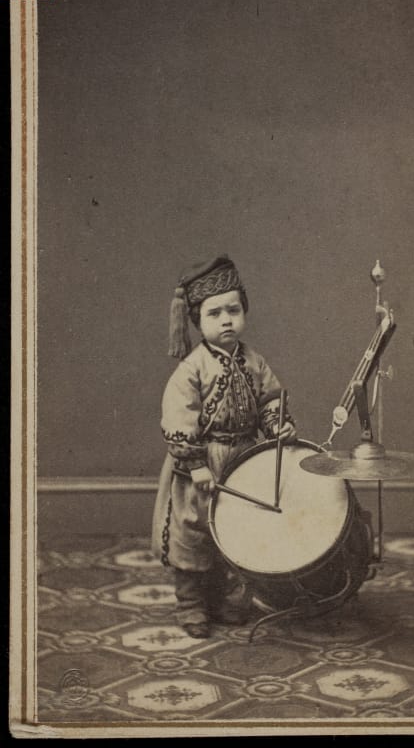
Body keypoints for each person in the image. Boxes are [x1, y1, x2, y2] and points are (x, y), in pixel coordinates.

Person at [151, 255, 296, 638]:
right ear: (197, 322)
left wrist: (276, 426)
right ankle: (192, 604)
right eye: (215, 314)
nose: (227, 320)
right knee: (195, 532)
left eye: (234, 310)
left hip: (245, 458)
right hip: (203, 461)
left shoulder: (254, 361)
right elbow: (179, 418)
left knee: (237, 528)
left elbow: (269, 398)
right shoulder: (192, 369)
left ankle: (228, 599)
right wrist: (196, 465)